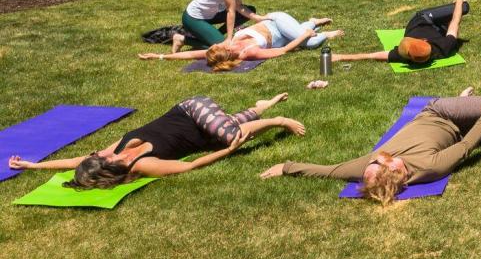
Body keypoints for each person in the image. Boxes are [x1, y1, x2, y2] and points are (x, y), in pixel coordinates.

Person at [261, 89, 481, 205]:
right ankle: (464, 104)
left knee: (476, 106)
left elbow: (328, 171)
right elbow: (466, 146)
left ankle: (461, 102)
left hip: (435, 111)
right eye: (378, 161)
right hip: (448, 121)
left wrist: (286, 167)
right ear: (394, 169)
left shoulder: (371, 166)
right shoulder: (431, 167)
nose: (374, 157)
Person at [7, 93, 304, 188]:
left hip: (191, 109)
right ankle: (265, 108)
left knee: (228, 133)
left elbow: (75, 161)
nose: (100, 153)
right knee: (229, 132)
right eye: (100, 159)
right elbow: (190, 166)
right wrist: (229, 152)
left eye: (97, 156)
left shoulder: (115, 150)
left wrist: (33, 165)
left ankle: (278, 120)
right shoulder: (142, 164)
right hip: (204, 134)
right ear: (108, 168)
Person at [139, 13, 343, 72]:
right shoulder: (248, 53)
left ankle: (313, 26)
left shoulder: (222, 48)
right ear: (226, 52)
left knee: (305, 39)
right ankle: (318, 27)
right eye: (217, 46)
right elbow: (283, 51)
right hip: (284, 36)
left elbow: (191, 54)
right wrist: (302, 37)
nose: (215, 44)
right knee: (307, 42)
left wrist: (160, 56)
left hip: (276, 21)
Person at [333, 0, 466, 65]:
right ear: (424, 41)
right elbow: (455, 22)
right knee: (464, 7)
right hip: (426, 19)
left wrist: (340, 57)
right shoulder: (444, 47)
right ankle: (448, 15)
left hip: (419, 21)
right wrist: (459, 1)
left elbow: (372, 55)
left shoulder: (404, 54)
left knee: (459, 10)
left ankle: (445, 18)